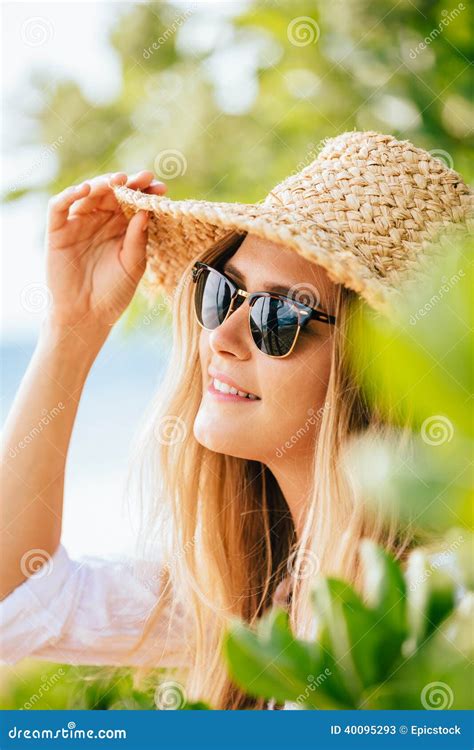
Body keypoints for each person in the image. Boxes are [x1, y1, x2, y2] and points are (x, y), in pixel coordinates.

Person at [1, 131, 472, 710]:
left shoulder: (442, 614)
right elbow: (15, 604)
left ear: (378, 373)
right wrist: (71, 330)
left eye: (277, 316)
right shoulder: (249, 593)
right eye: (224, 292)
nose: (220, 338)